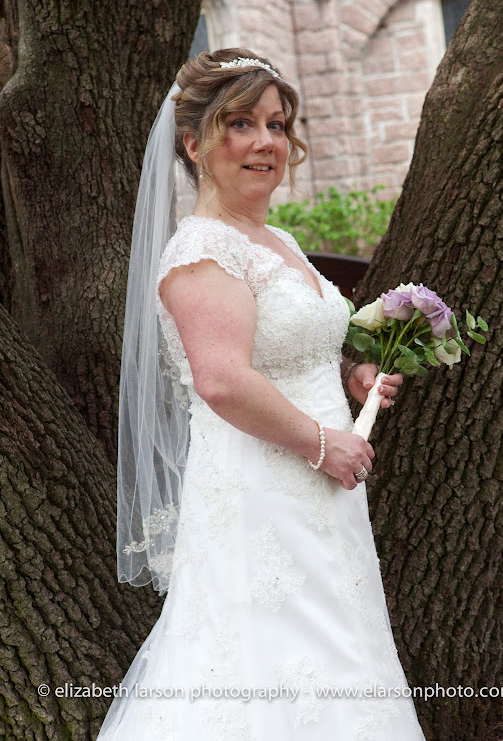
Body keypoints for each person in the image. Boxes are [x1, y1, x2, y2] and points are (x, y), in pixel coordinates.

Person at [97, 49, 427, 740]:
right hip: (262, 495)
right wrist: (325, 444)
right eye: (241, 123)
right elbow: (222, 380)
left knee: (339, 658)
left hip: (322, 494)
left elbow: (285, 350)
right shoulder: (202, 251)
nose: (266, 142)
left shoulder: (275, 239)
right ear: (194, 144)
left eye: (276, 124)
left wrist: (349, 376)